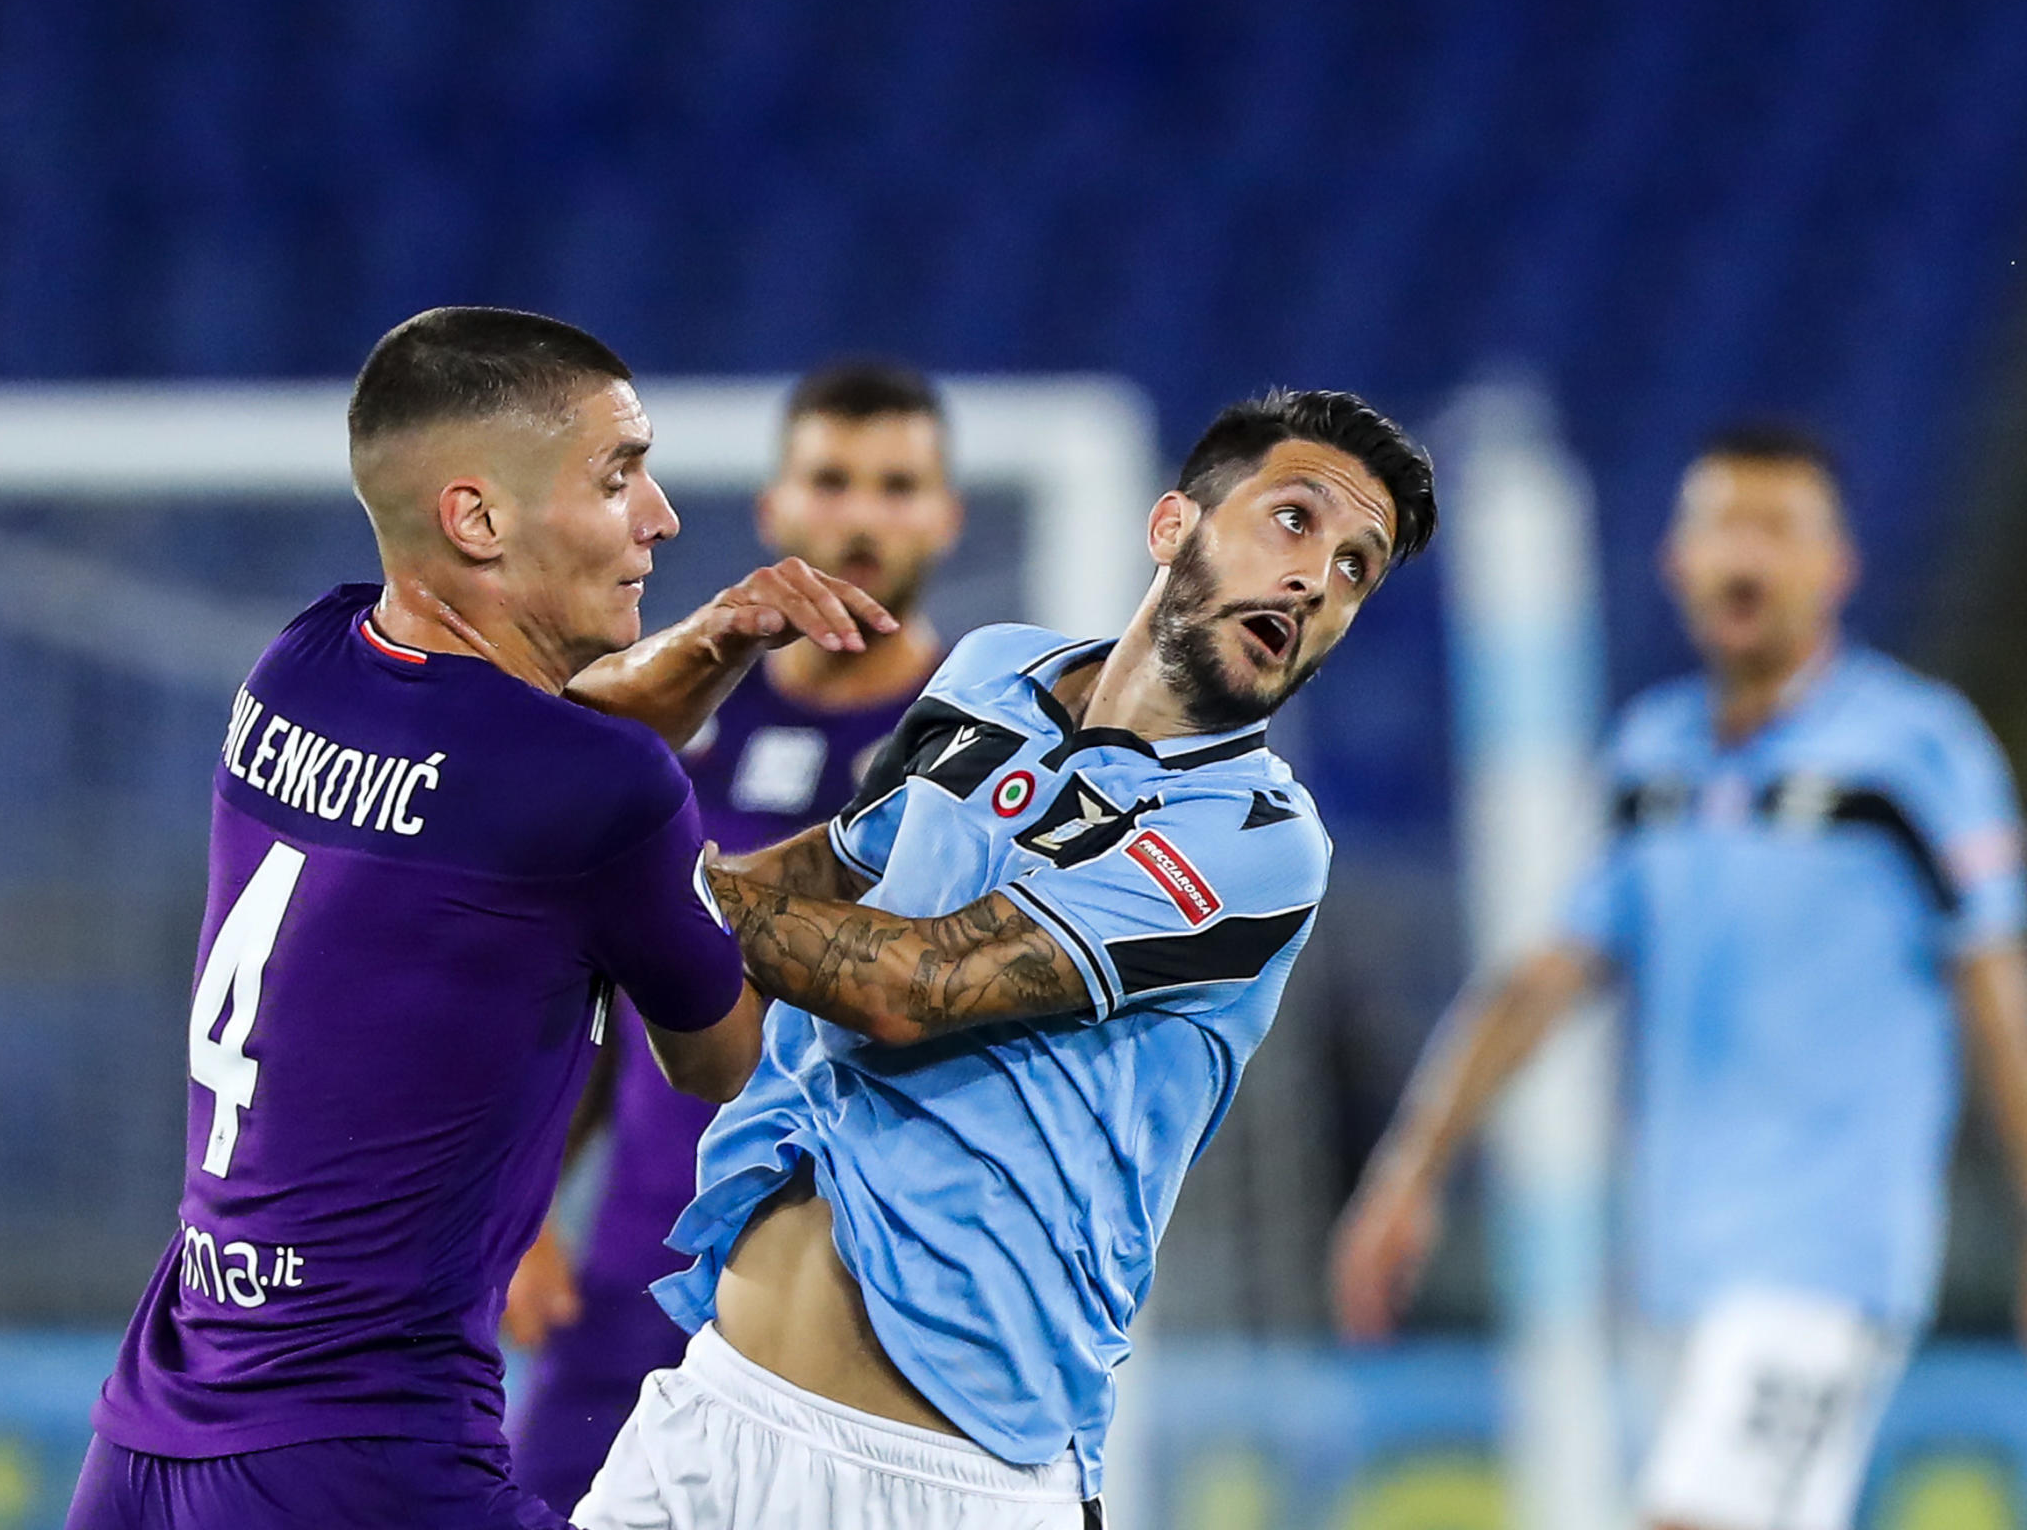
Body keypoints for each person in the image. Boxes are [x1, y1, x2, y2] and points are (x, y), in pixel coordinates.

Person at [68, 306, 894, 1530]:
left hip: (153, 1428)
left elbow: (520, 763)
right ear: (478, 517)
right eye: (620, 475)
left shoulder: (299, 663)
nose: (660, 516)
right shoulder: (597, 797)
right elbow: (721, 1057)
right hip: (364, 1459)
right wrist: (879, 856)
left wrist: (715, 641)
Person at [569, 389, 1438, 1530]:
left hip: (949, 1480)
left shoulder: (1258, 838)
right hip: (717, 1410)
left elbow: (911, 986)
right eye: (1293, 520)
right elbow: (830, 866)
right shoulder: (990, 675)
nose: (1316, 577)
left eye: (1357, 568)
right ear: (1174, 523)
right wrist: (563, 850)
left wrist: (630, 871)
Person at [1330, 421, 2027, 1530]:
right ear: (1677, 561)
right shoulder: (1650, 758)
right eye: (1721, 525)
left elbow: (2000, 1003)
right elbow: (1537, 985)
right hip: (1674, 1268)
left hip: (1828, 1258)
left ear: (1836, 567)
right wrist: (1409, 1168)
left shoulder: (1916, 752)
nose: (1745, 555)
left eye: (1778, 528)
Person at [507, 359, 966, 1511]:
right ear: (777, 508)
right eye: (832, 479)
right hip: (641, 1269)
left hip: (871, 1297)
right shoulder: (678, 720)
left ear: (946, 513)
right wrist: (523, 1210)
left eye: (898, 484)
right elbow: (597, 993)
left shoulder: (985, 742)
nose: (862, 514)